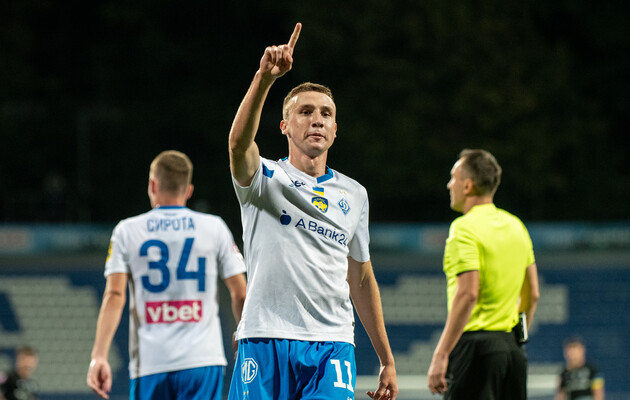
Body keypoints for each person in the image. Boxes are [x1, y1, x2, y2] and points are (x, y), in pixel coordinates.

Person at [226, 22, 398, 400]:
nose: (317, 119)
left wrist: (386, 359)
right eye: (305, 111)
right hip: (265, 336)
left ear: (335, 129)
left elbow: (361, 279)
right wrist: (264, 79)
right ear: (285, 126)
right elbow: (238, 145)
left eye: (325, 113)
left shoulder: (355, 194)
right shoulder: (264, 178)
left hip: (332, 344)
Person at [86, 150, 247, 400]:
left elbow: (114, 295)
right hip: (202, 359)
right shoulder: (214, 227)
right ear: (189, 190)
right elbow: (240, 293)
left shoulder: (127, 231)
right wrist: (245, 337)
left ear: (152, 185)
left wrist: (99, 356)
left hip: (151, 362)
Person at [427, 149, 540, 399]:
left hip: (476, 351)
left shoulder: (464, 229)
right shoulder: (517, 226)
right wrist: (517, 339)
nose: (449, 185)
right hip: (513, 352)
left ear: (468, 186)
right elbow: (533, 293)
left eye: (453, 178)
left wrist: (441, 353)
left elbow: (468, 294)